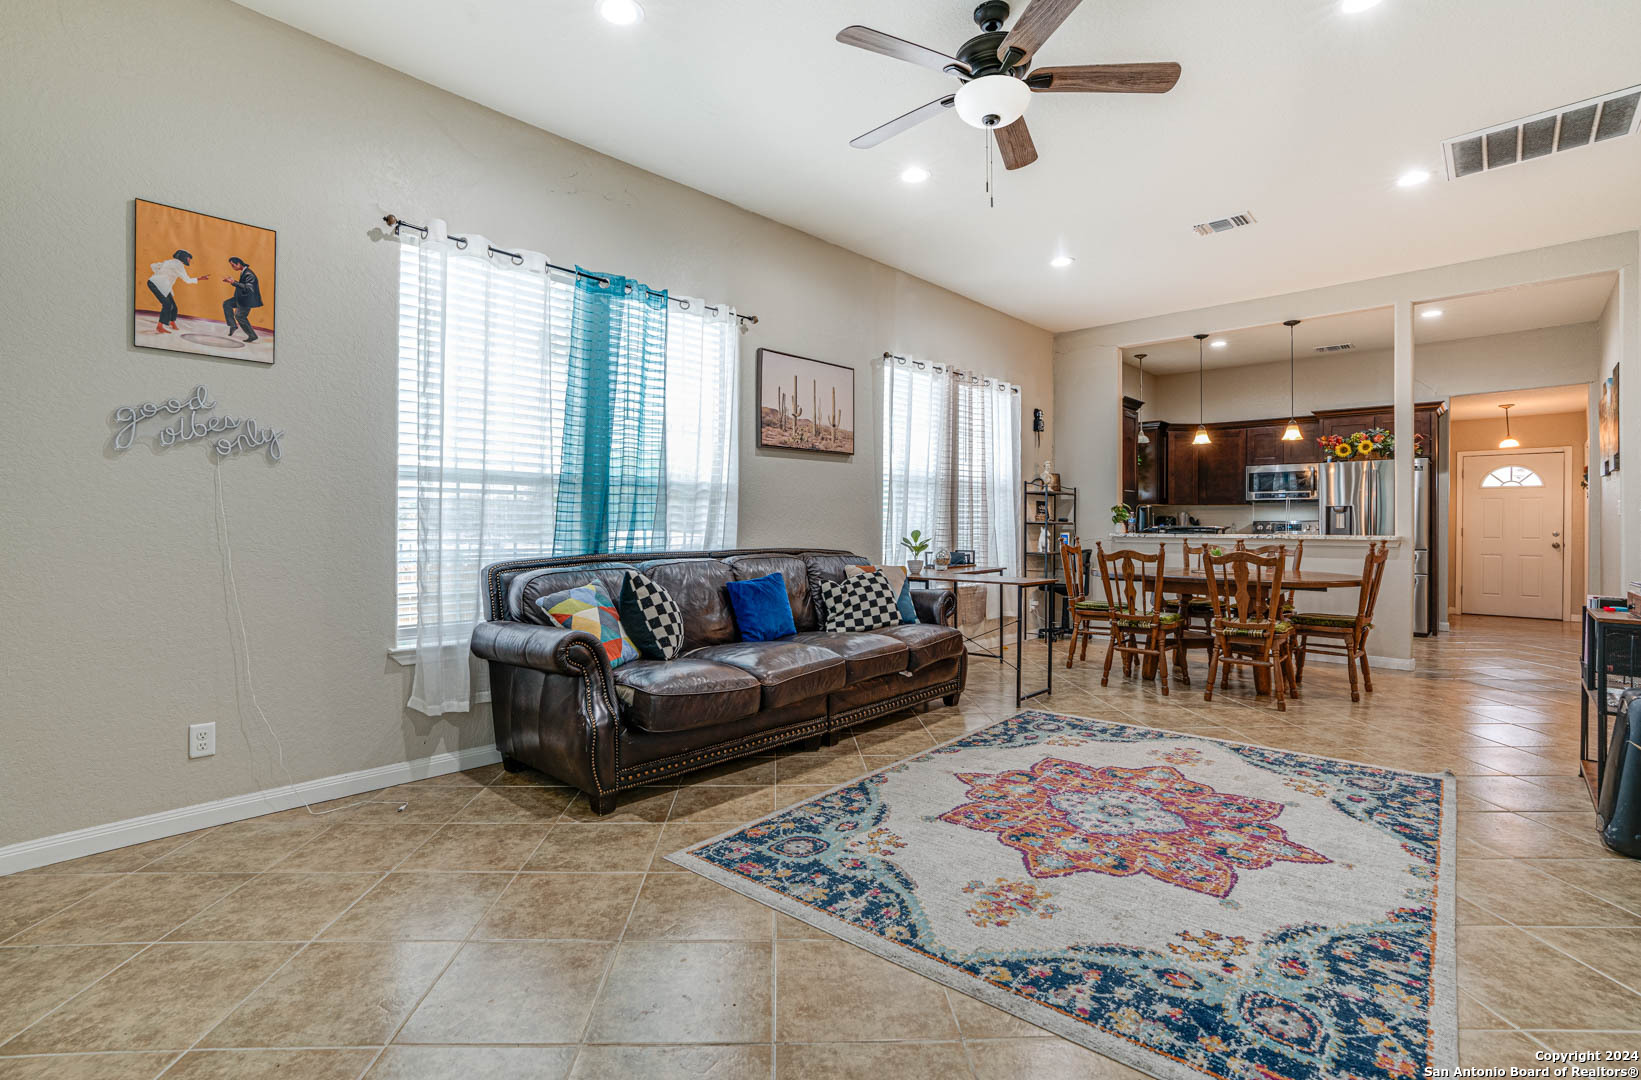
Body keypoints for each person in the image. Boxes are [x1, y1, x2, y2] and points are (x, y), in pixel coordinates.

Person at [145, 249, 200, 334]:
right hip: (157, 285)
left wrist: (159, 274)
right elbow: (187, 280)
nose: (189, 260)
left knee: (174, 307)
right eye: (189, 258)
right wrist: (199, 279)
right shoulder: (179, 265)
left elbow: (153, 265)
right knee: (167, 304)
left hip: (159, 285)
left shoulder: (169, 262)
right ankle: (159, 326)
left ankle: (172, 322)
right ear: (184, 257)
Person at [221, 257, 263, 342]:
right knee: (227, 304)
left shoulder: (249, 274)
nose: (232, 267)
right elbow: (243, 285)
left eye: (233, 265)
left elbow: (248, 289)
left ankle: (252, 335)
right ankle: (233, 325)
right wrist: (232, 282)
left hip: (247, 300)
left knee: (239, 316)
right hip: (240, 298)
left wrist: (234, 282)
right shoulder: (244, 272)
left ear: (239, 263)